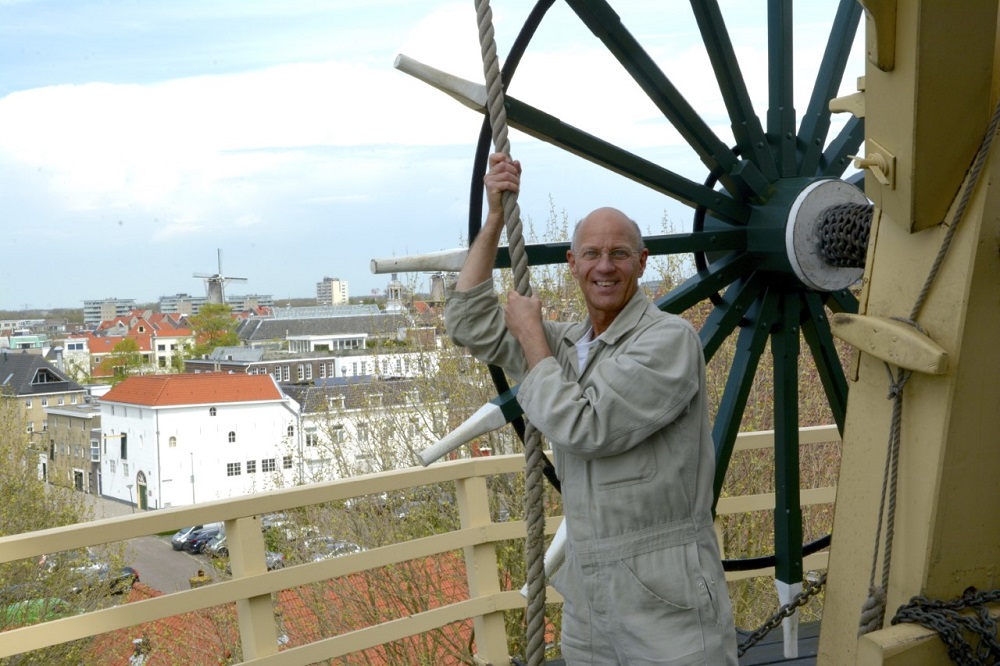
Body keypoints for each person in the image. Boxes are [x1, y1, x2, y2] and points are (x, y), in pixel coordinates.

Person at [444, 153, 737, 664]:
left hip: (668, 600)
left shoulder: (668, 343)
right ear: (573, 264)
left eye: (620, 254)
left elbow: (585, 426)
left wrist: (533, 337)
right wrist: (494, 218)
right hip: (587, 598)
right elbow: (467, 323)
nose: (605, 266)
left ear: (642, 263)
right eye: (593, 254)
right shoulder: (569, 346)